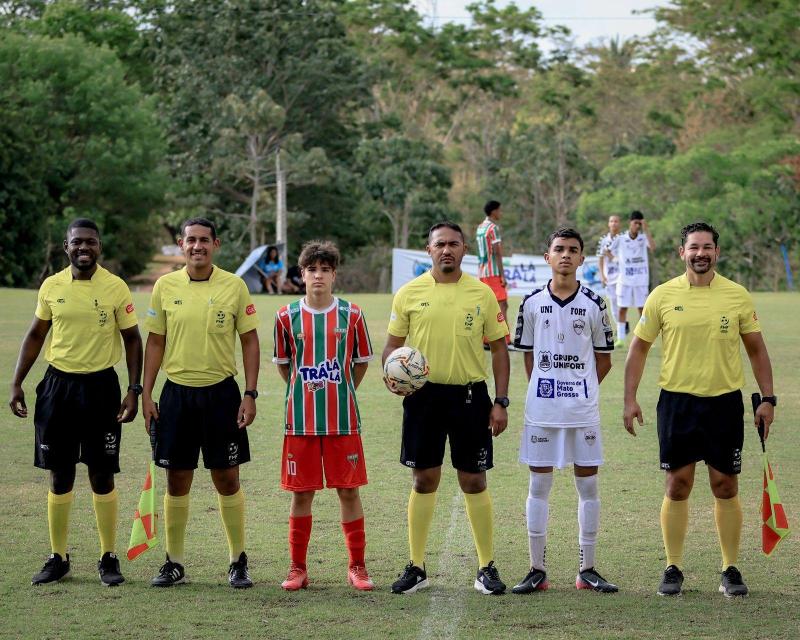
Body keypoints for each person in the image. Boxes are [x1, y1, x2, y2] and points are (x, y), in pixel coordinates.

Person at [623, 221, 775, 598]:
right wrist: (629, 398)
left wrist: (768, 398)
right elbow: (638, 348)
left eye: (707, 247)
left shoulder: (737, 295)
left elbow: (757, 349)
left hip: (724, 403)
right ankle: (673, 566)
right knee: (678, 484)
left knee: (725, 485)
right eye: (693, 247)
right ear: (682, 252)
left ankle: (730, 568)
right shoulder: (662, 295)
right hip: (677, 403)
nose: (700, 254)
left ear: (717, 252)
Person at [9, 218, 142, 587]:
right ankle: (58, 557)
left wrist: (134, 389)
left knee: (101, 473)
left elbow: (132, 339)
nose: (84, 248)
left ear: (100, 246)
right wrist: (17, 382)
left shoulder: (115, 287)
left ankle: (108, 556)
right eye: (77, 243)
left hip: (101, 387)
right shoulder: (52, 286)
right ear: (66, 247)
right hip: (58, 386)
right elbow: (37, 333)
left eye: (91, 243)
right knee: (60, 472)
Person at [384, 221, 511, 595]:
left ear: (464, 249)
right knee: (424, 479)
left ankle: (486, 566)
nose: (447, 250)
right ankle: (417, 565)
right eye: (440, 244)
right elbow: (391, 347)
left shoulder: (482, 294)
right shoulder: (409, 293)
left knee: (474, 479)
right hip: (423, 399)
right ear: (429, 250)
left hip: (471, 397)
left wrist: (501, 402)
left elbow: (501, 350)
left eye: (454, 244)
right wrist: (392, 375)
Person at [142, 217, 260, 588]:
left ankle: (237, 560)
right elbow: (156, 341)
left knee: (226, 477)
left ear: (216, 244)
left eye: (204, 240)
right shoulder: (164, 286)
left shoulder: (234, 286)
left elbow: (250, 341)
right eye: (191, 240)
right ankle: (174, 562)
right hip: (176, 393)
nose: (197, 246)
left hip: (222, 393)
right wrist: (146, 393)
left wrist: (250, 393)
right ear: (181, 244)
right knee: (176, 479)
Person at [511, 228, 618, 595]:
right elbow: (528, 355)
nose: (566, 255)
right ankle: (536, 569)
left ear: (582, 259)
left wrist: (581, 390)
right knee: (538, 485)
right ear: (548, 256)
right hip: (541, 410)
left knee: (588, 485)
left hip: (582, 411)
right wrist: (546, 389)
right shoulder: (529, 303)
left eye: (573, 250)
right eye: (559, 249)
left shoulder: (595, 303)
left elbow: (604, 360)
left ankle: (587, 569)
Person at [273, 241, 375, 592]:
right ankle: (297, 568)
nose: (318, 275)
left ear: (334, 275)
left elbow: (360, 364)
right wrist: (307, 391)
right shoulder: (286, 316)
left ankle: (357, 567)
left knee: (348, 491)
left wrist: (340, 390)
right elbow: (286, 366)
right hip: (299, 422)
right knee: (302, 494)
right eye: (311, 269)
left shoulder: (353, 314)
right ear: (302, 275)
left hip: (342, 419)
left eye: (325, 270)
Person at [608, 211, 655, 346]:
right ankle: (621, 339)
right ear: (630, 223)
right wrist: (616, 260)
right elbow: (608, 251)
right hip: (625, 280)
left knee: (642, 310)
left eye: (640, 224)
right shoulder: (621, 238)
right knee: (622, 308)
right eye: (635, 223)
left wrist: (646, 230)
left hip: (641, 280)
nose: (637, 226)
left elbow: (652, 247)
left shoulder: (643, 237)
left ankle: (644, 339)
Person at [476, 200, 511, 345]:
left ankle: (485, 339)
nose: (501, 213)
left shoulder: (480, 227)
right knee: (502, 304)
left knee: (487, 305)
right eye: (499, 210)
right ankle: (504, 339)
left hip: (482, 272)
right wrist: (502, 274)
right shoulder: (493, 228)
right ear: (493, 211)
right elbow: (497, 252)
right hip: (493, 272)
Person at [597, 215, 621, 333]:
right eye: (611, 221)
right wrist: (602, 275)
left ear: (619, 224)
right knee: (613, 302)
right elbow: (600, 259)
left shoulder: (623, 239)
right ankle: (620, 326)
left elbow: (621, 260)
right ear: (608, 224)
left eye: (616, 221)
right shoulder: (603, 240)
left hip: (621, 277)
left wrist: (610, 255)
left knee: (622, 302)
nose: (614, 223)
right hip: (609, 277)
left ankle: (622, 327)